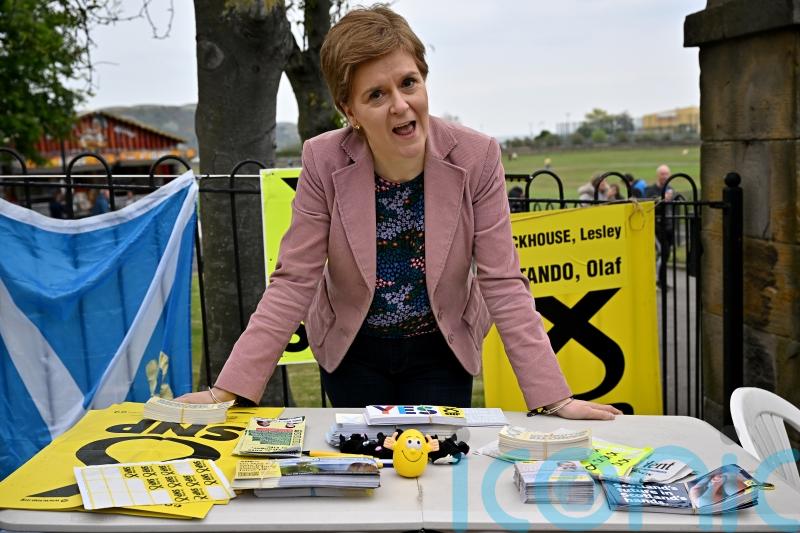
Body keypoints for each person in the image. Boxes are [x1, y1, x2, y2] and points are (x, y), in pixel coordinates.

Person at [176, 5, 620, 420]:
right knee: (363, 480)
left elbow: (502, 281)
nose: (400, 105)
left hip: (441, 350)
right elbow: (294, 280)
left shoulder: (478, 157)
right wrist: (229, 390)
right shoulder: (323, 160)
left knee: (436, 479)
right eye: (376, 94)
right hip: (352, 351)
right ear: (350, 111)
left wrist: (552, 397)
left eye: (409, 83)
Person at [645, 164, 674, 289]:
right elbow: (649, 205)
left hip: (669, 226)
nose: (665, 176)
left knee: (665, 254)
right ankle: (659, 280)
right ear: (658, 175)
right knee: (664, 252)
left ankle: (659, 280)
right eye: (662, 174)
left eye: (667, 174)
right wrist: (663, 199)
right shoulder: (651, 189)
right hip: (656, 226)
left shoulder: (671, 189)